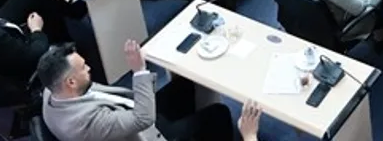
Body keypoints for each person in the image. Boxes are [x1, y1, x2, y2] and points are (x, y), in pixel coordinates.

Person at [38, 42, 261, 141]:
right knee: (219, 113)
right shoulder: (86, 124)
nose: (88, 68)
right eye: (83, 68)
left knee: (186, 84)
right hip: (144, 131)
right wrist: (139, 71)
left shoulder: (52, 91)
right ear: (70, 82)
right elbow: (143, 119)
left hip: (128, 112)